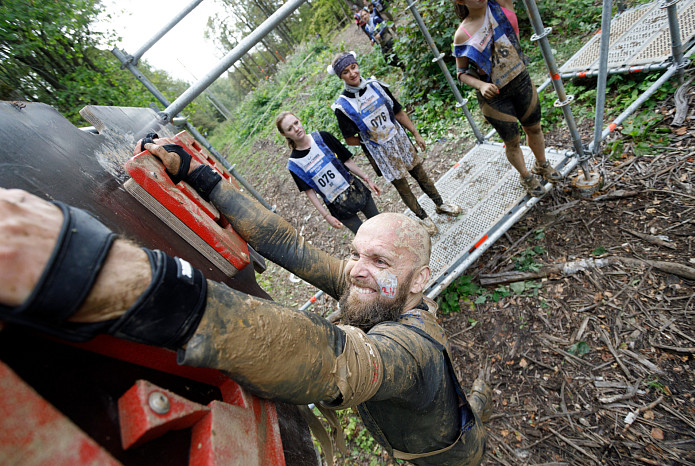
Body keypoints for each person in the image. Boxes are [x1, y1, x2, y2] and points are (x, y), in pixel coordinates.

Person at [0, 137, 492, 464]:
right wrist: (201, 176)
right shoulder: (374, 292)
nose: (358, 270)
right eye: (354, 253)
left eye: (380, 262)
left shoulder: (413, 349)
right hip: (417, 427)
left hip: (443, 456)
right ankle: (479, 403)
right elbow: (288, 245)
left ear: (419, 280)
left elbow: (333, 360)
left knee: (472, 446)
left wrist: (116, 278)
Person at [330, 52, 461, 236]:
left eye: (353, 67)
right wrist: (371, 139)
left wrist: (415, 133)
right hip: (382, 152)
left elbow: (398, 111)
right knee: (403, 187)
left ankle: (440, 204)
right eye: (345, 72)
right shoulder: (342, 106)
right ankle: (423, 218)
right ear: (340, 77)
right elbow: (349, 138)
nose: (352, 73)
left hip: (399, 140)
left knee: (421, 175)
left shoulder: (376, 86)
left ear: (357, 65)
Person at [452, 0, 563, 197]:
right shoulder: (462, 34)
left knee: (534, 127)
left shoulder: (500, 5)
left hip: (520, 79)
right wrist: (481, 85)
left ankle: (542, 164)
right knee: (512, 141)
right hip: (494, 96)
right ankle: (526, 176)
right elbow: (461, 72)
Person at [275, 111, 381, 234]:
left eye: (296, 123)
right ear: (284, 134)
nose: (296, 128)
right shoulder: (295, 164)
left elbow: (346, 160)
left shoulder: (322, 137)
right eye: (290, 128)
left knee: (378, 224)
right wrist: (326, 216)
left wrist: (367, 179)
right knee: (364, 237)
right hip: (337, 205)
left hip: (354, 189)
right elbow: (310, 192)